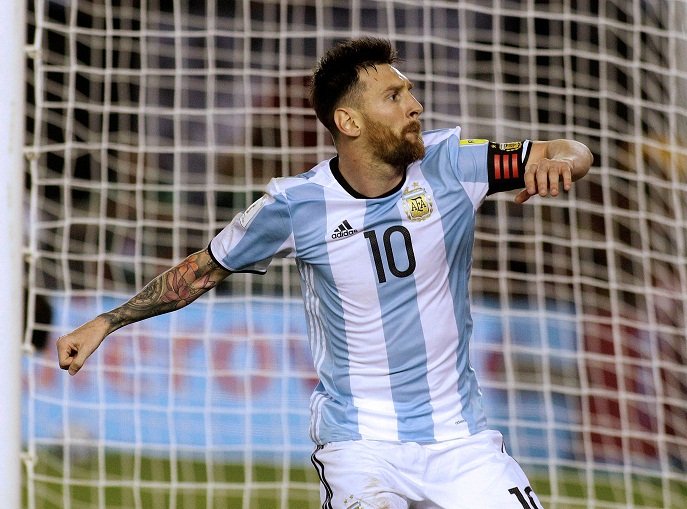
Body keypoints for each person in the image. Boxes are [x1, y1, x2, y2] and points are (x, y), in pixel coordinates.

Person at [57, 37, 593, 509]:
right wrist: (105, 321)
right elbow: (201, 270)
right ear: (349, 122)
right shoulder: (297, 205)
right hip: (359, 443)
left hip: (461, 439)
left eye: (409, 92)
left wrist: (563, 160)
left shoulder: (452, 162)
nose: (416, 105)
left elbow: (567, 150)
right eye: (395, 96)